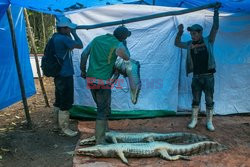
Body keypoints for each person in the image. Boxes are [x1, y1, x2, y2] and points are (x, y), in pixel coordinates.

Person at [80, 26, 131, 144]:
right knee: (102, 110)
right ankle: (100, 140)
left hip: (91, 78)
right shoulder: (118, 44)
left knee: (101, 105)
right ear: (123, 37)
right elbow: (127, 57)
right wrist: (124, 44)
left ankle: (105, 130)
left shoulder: (97, 39)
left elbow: (84, 55)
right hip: (103, 82)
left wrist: (83, 71)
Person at [174, 3, 221, 131]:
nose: (192, 36)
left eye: (194, 34)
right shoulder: (189, 44)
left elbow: (215, 27)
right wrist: (179, 32)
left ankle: (209, 122)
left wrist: (216, 12)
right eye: (191, 34)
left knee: (209, 99)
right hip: (196, 77)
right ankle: (194, 120)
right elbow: (177, 43)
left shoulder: (208, 41)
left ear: (200, 33)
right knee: (195, 99)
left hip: (208, 77)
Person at [52, 16, 83, 136]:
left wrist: (71, 33)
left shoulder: (55, 37)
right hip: (65, 74)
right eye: (69, 28)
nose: (70, 30)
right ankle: (65, 129)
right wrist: (75, 34)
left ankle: (56, 126)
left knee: (59, 100)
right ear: (64, 28)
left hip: (58, 74)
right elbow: (80, 45)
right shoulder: (63, 39)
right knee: (66, 100)